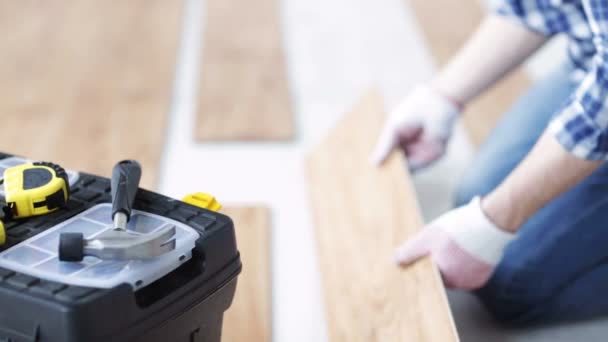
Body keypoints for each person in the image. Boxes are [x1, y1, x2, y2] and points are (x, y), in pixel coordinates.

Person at [371, 0, 608, 325]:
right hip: (595, 60)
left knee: (513, 285)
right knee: (477, 193)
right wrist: (441, 97)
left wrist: (493, 221)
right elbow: (542, 6)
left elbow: (601, 114)